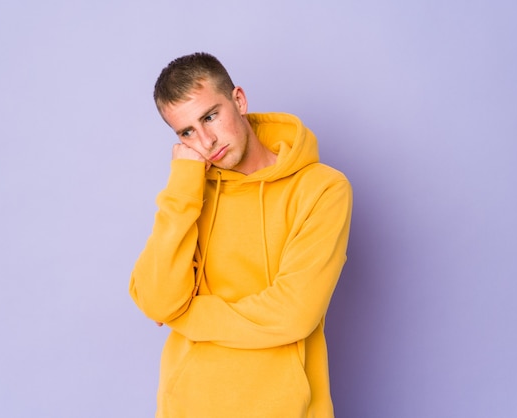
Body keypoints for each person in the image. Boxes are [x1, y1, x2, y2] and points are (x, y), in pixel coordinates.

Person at [129, 52, 352, 418]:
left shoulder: (322, 189)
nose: (205, 140)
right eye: (187, 131)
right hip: (188, 407)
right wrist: (184, 187)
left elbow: (293, 315)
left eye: (210, 116)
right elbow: (156, 300)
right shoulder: (190, 195)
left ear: (239, 100)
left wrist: (184, 315)